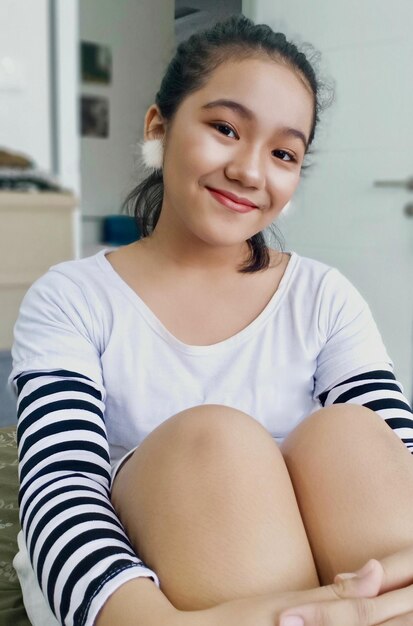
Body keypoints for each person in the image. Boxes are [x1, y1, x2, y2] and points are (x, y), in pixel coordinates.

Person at [8, 14, 413, 626]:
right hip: (136, 597)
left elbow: (393, 456)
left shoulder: (322, 295)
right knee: (215, 443)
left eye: (283, 152)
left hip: (332, 594)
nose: (251, 171)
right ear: (158, 127)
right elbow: (60, 495)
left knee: (351, 433)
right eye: (225, 128)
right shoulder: (72, 297)